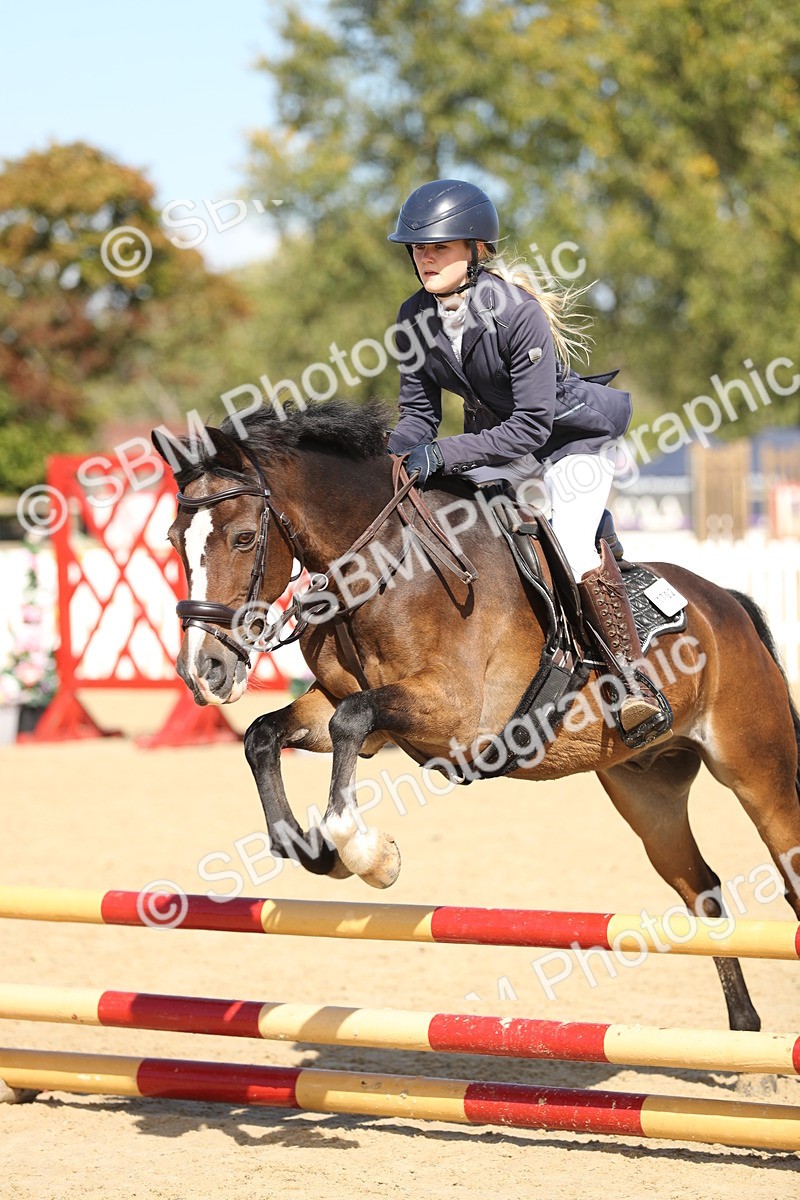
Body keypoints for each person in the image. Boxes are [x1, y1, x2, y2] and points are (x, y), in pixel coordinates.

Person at [386, 178, 661, 736]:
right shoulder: (412, 317)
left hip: (566, 441)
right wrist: (383, 464)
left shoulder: (518, 313)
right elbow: (419, 416)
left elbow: (533, 426)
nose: (426, 257)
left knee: (574, 540)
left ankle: (632, 681)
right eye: (418, 248)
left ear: (474, 249)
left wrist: (442, 454)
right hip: (496, 444)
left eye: (439, 246)